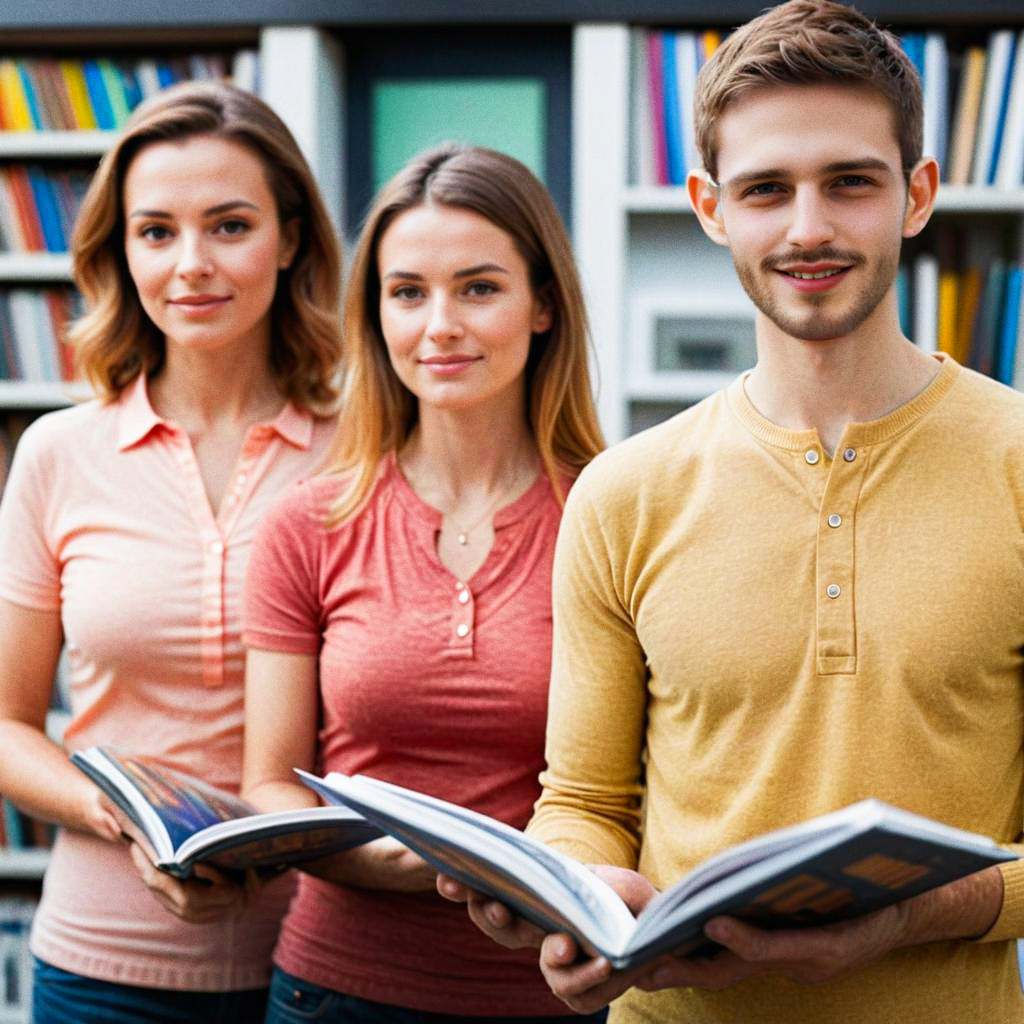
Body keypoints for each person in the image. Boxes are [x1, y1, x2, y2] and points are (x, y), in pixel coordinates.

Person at [440, 2, 1024, 1022]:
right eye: (765, 189)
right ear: (712, 207)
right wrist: (569, 899)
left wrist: (908, 915)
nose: (807, 227)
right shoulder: (624, 493)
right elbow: (582, 802)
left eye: (849, 181)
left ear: (916, 194)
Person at [0, 80, 343, 1023]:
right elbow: (5, 724)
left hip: (326, 969)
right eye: (156, 232)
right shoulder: (57, 455)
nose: (191, 264)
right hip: (98, 967)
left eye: (229, 225)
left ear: (292, 241)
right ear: (121, 254)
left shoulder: (368, 450)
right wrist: (131, 825)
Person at [241, 142, 606, 1023]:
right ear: (375, 316)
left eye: (478, 288)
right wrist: (395, 859)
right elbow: (269, 784)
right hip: (337, 992)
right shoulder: (307, 523)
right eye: (407, 292)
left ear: (543, 305)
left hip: (557, 995)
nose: (439, 324)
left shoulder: (615, 515)